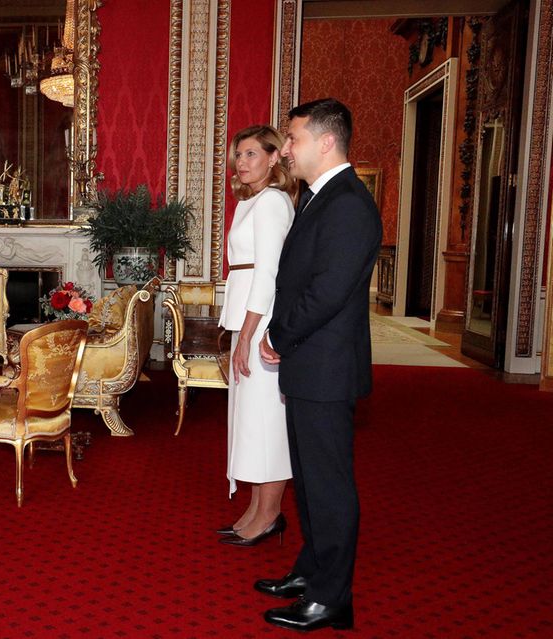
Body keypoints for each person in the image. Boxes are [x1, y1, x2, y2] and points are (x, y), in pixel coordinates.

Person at [256, 98, 382, 631]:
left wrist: (279, 335)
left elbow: (327, 291)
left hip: (324, 366)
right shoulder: (320, 197)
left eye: (294, 139)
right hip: (310, 365)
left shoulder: (349, 203)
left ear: (326, 143)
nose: (286, 148)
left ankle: (332, 598)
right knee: (307, 480)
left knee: (328, 484)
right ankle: (311, 570)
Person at [215, 125, 295, 547]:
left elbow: (267, 274)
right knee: (252, 420)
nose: (242, 163)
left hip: (261, 321)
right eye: (238, 156)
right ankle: (255, 510)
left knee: (267, 423)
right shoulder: (252, 202)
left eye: (250, 154)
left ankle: (270, 515)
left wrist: (247, 335)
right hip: (247, 316)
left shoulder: (273, 202)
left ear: (273, 158)